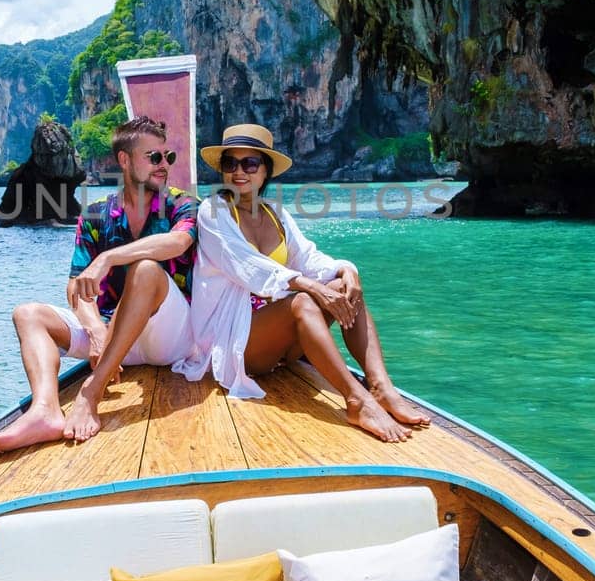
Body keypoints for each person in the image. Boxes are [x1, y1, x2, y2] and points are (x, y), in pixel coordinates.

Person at [175, 124, 430, 443]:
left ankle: (381, 387)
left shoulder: (276, 213)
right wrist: (309, 286)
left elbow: (309, 257)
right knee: (303, 301)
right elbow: (247, 266)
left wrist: (345, 270)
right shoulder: (214, 211)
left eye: (250, 163)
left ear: (265, 170)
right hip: (232, 341)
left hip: (274, 339)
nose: (239, 172)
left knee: (347, 289)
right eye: (230, 163)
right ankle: (356, 400)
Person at [0, 115, 197, 452]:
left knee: (145, 270)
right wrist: (96, 328)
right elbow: (76, 287)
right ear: (125, 160)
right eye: (153, 157)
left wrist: (109, 258)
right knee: (28, 314)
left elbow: (179, 243)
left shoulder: (180, 204)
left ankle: (89, 394)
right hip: (112, 337)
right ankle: (45, 410)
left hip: (166, 337)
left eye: (167, 157)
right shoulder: (96, 216)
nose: (163, 166)